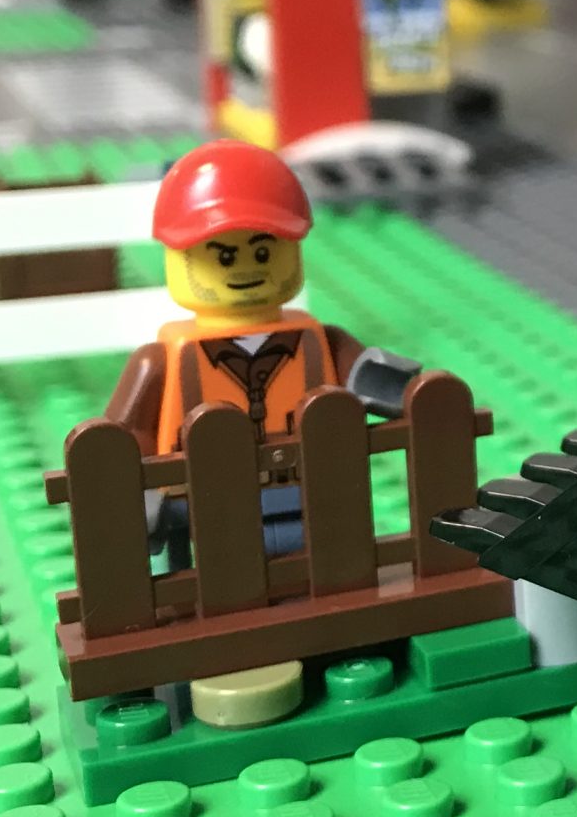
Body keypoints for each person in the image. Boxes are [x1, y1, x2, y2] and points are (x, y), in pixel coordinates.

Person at [104, 140, 411, 567]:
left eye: (264, 252)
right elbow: (123, 438)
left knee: (311, 565)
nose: (247, 268)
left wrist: (418, 398)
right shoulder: (159, 360)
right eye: (224, 256)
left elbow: (385, 385)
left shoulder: (324, 341)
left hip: (307, 490)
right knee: (221, 574)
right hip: (202, 502)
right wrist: (140, 492)